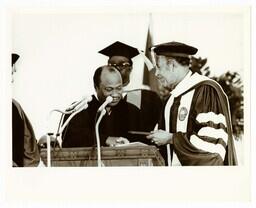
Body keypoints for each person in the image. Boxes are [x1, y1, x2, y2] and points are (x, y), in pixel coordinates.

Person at [146, 41, 237, 166]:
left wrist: (171, 138)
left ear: (171, 64)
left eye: (158, 67)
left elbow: (211, 149)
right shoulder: (171, 100)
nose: (156, 74)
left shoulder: (205, 90)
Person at [61, 65, 141, 148]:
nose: (115, 94)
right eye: (109, 89)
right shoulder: (79, 109)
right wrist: (105, 139)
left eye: (119, 88)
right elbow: (70, 139)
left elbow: (141, 141)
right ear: (96, 87)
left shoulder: (132, 111)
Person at [99, 41, 162, 143]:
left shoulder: (147, 96)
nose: (116, 68)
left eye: (121, 64)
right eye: (111, 64)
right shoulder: (102, 98)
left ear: (130, 68)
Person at [12, 53, 40, 167]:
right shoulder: (12, 107)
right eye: (11, 71)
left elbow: (29, 150)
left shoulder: (14, 106)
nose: (15, 70)